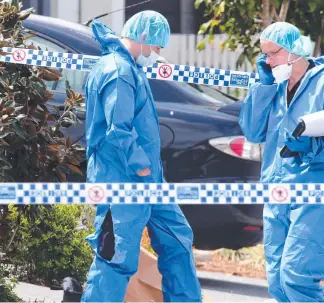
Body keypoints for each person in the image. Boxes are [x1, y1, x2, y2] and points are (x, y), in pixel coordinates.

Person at [81, 11, 202, 303]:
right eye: (158, 48)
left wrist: (149, 174)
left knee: (177, 240)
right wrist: (142, 168)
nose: (158, 55)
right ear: (145, 38)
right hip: (124, 180)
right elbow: (117, 130)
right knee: (117, 257)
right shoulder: (119, 71)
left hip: (148, 182)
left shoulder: (128, 67)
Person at [238, 22, 324, 302]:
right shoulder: (273, 86)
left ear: (295, 51)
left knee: (298, 278)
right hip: (276, 190)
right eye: (264, 55)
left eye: (273, 54)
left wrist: (310, 145)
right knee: (278, 282)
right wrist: (263, 87)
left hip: (316, 190)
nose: (268, 61)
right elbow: (252, 131)